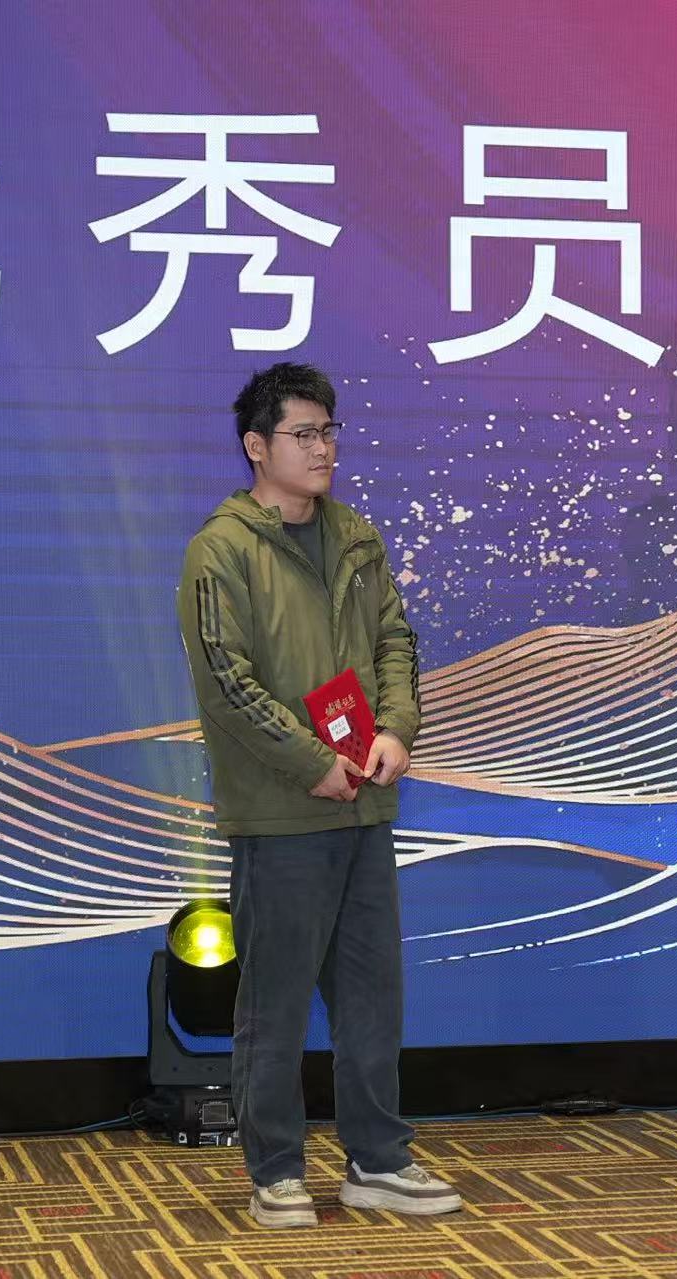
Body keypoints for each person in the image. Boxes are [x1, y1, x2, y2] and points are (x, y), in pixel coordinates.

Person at [176, 362, 460, 1228]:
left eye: (330, 430)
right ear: (257, 446)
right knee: (277, 1001)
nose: (323, 447)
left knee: (373, 996)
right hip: (283, 811)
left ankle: (378, 1158)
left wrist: (396, 729)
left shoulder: (357, 536)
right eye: (304, 433)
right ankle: (276, 1168)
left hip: (365, 802)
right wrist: (310, 760)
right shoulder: (221, 550)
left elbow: (395, 642)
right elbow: (228, 683)